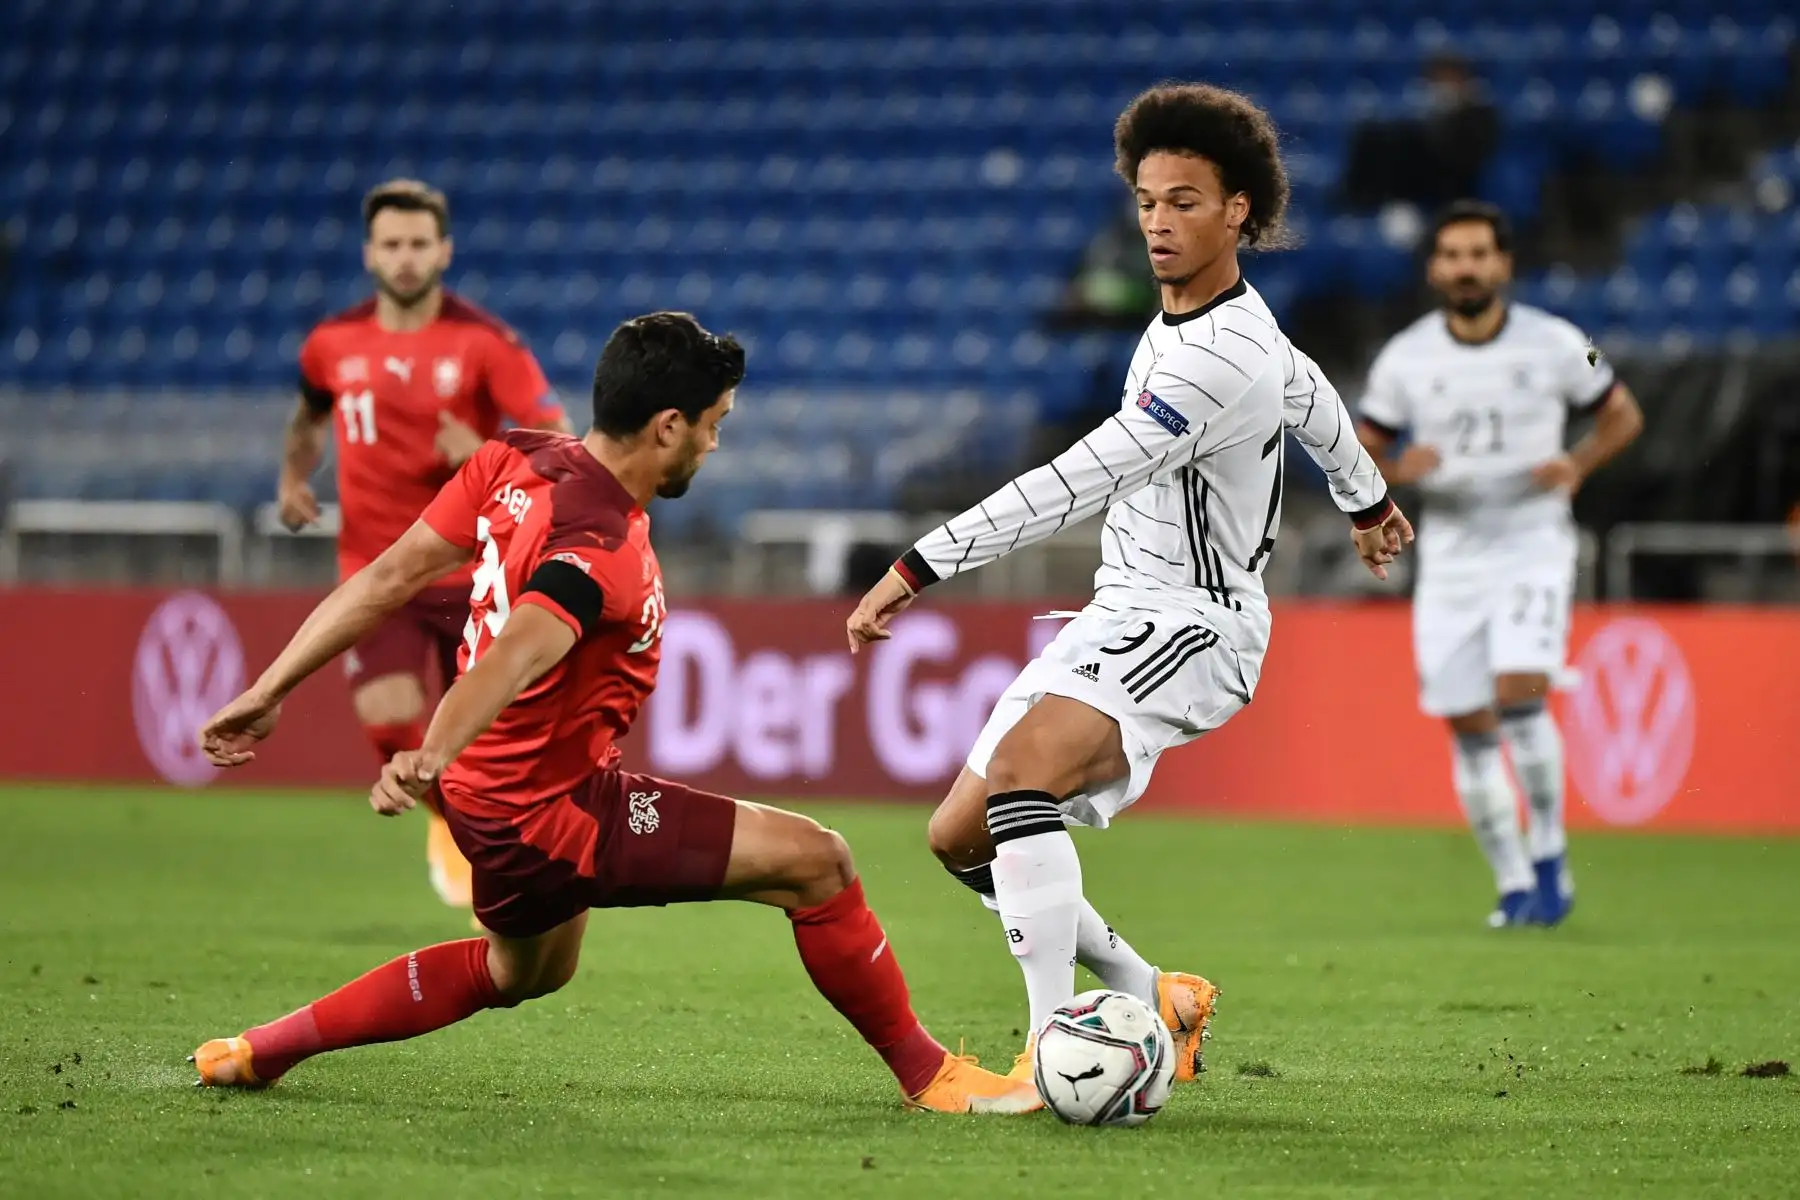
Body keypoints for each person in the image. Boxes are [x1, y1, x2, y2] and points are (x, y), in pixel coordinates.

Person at [191, 312, 1039, 1116]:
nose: (715, 443)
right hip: (548, 811)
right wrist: (432, 751)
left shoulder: (510, 461)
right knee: (819, 863)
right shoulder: (602, 548)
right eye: (714, 424)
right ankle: (932, 1078)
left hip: (497, 799)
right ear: (668, 425)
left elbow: (387, 578)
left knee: (526, 971)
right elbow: (520, 646)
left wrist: (269, 691)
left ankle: (262, 1048)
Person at [845, 84, 1413, 1083]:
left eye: (1184, 200)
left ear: (1239, 209)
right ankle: (1156, 993)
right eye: (1148, 199)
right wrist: (1367, 501)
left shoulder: (1214, 360)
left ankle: (1050, 1051)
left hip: (1198, 621)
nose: (1157, 221)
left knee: (1021, 781)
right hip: (1125, 609)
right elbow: (1311, 388)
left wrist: (921, 563)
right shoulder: (1217, 327)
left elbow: (1079, 479)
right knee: (958, 835)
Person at [280, 179, 572, 914]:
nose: (405, 259)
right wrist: (292, 478)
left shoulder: (486, 343)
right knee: (388, 721)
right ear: (369, 254)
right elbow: (309, 416)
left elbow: (565, 446)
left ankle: (487, 838)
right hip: (379, 573)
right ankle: (453, 831)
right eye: (392, 245)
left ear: (444, 250)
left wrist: (479, 448)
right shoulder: (331, 345)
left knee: (489, 742)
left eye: (418, 244)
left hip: (477, 572)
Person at [1355, 201, 1644, 927]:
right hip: (1449, 550)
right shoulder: (1405, 357)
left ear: (1503, 264)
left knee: (1520, 691)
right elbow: (1361, 445)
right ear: (1434, 270)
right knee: (1467, 722)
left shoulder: (1560, 343)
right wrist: (1396, 465)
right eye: (1452, 255)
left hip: (1532, 540)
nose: (1466, 267)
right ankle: (1514, 884)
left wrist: (1578, 464)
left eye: (1479, 253)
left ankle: (1549, 851)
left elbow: (1622, 413)